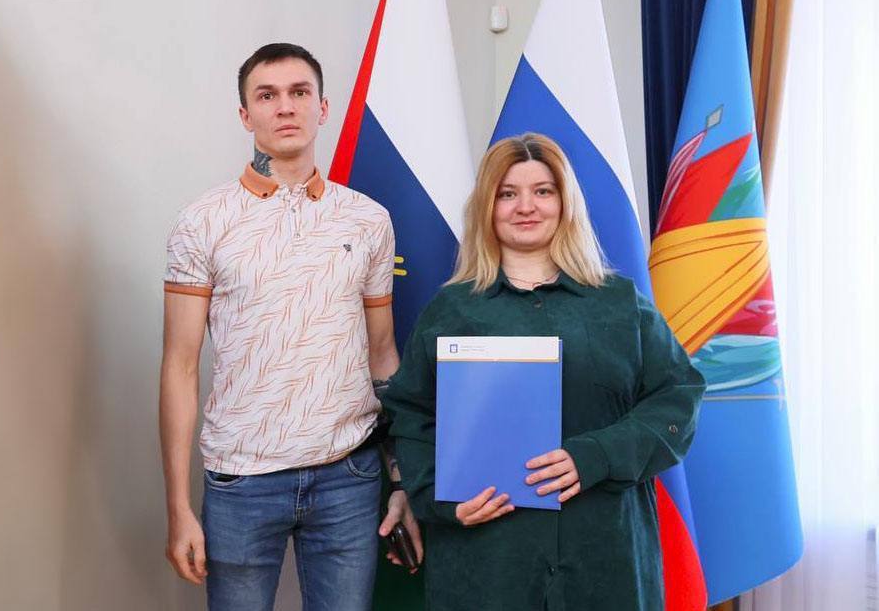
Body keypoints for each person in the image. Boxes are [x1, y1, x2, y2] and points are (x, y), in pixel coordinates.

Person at [382, 133, 706, 611]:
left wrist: (596, 455)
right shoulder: (450, 310)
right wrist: (440, 499)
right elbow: (410, 416)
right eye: (507, 194)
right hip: (488, 563)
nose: (525, 207)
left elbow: (678, 396)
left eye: (543, 191)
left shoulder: (620, 303)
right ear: (487, 207)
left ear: (565, 203)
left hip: (605, 555)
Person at [159, 43, 422, 611]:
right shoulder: (202, 221)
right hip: (242, 480)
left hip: (348, 476)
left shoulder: (368, 220)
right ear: (245, 114)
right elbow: (179, 367)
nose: (285, 107)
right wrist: (178, 507)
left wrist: (401, 478)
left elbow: (382, 355)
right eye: (267, 95)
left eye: (299, 92)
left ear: (322, 108)